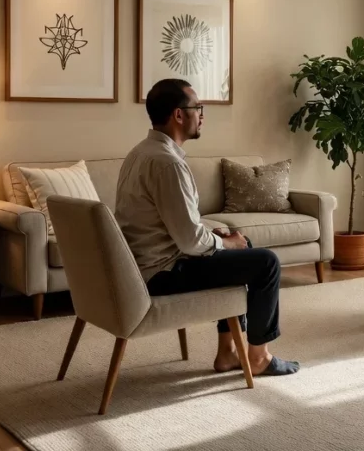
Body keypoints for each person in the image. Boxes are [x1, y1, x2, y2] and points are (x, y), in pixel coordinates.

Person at [114, 78, 299, 376]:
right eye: (197, 107)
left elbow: (173, 225)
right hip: (163, 273)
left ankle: (227, 353)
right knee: (266, 263)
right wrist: (227, 244)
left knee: (243, 250)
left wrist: (216, 238)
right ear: (178, 114)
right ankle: (259, 357)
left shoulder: (140, 153)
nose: (202, 115)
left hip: (146, 265)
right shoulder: (167, 164)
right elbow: (189, 243)